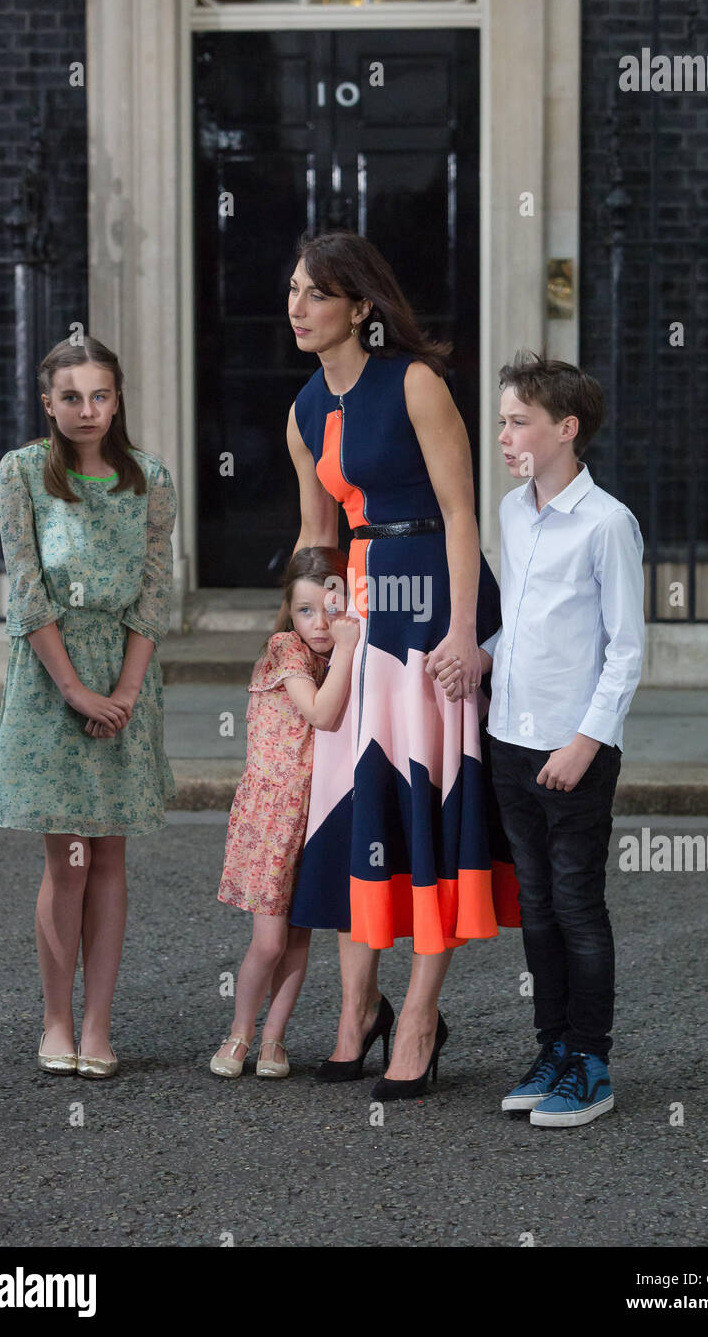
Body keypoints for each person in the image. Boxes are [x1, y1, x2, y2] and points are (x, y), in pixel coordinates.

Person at [283, 230, 518, 1102]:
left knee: (424, 803)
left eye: (317, 293)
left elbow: (463, 516)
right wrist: (299, 637)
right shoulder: (305, 410)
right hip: (359, 615)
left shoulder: (416, 383)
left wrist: (463, 632)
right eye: (295, 291)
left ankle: (418, 1020)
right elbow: (317, 536)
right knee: (359, 804)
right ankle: (357, 1013)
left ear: (361, 306)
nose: (299, 307)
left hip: (431, 607)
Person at [437, 351, 645, 1127]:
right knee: (538, 905)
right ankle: (551, 1048)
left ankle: (591, 1063)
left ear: (566, 428)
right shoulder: (513, 512)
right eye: (500, 420)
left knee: (578, 903)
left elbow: (625, 649)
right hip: (510, 739)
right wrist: (480, 654)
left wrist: (585, 743)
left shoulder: (607, 523)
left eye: (517, 421)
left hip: (573, 748)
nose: (503, 434)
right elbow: (520, 617)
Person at [0, 336, 177, 1079]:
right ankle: (56, 1021)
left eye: (100, 395)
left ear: (118, 398)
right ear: (48, 404)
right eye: (71, 397)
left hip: (125, 680)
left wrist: (124, 692)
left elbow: (154, 593)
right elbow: (27, 591)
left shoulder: (151, 479)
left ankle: (98, 1026)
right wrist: (74, 690)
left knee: (110, 857)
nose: (87, 410)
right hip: (50, 677)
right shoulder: (24, 473)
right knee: (67, 862)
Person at [210, 546, 360, 1080]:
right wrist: (345, 647)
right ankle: (239, 1032)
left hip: (315, 813)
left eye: (330, 608)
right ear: (288, 612)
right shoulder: (285, 651)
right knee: (270, 940)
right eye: (305, 610)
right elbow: (320, 713)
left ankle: (274, 1040)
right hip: (274, 815)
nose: (319, 623)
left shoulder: (332, 652)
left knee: (300, 937)